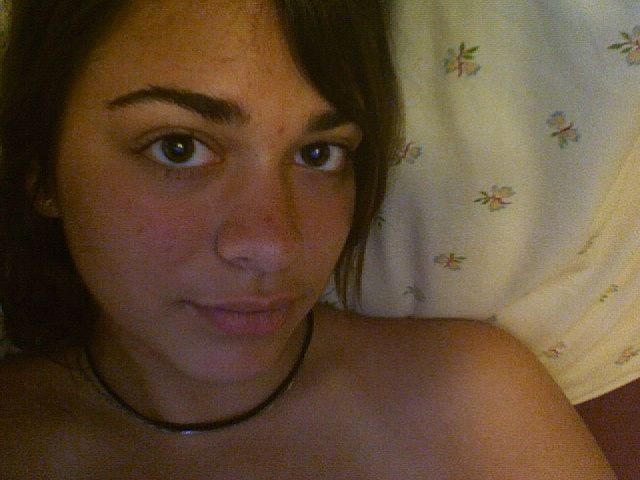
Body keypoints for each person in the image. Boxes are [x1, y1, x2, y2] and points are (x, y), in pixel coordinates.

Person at [0, 0, 616, 478]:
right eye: (178, 148)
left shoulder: (473, 403)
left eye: (319, 154)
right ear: (43, 174)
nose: (274, 245)